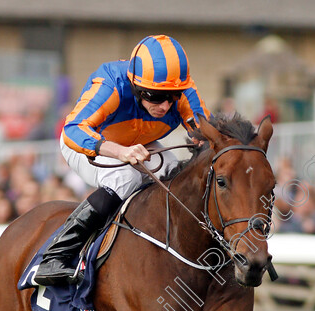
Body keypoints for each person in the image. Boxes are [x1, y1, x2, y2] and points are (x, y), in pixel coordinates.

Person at [34, 35, 210, 285]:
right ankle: (55, 255)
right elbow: (73, 129)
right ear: (136, 87)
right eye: (155, 96)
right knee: (124, 177)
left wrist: (204, 140)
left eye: (173, 96)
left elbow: (208, 135)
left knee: (178, 175)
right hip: (92, 145)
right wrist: (118, 151)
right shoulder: (111, 82)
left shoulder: (183, 94)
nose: (165, 105)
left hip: (140, 144)